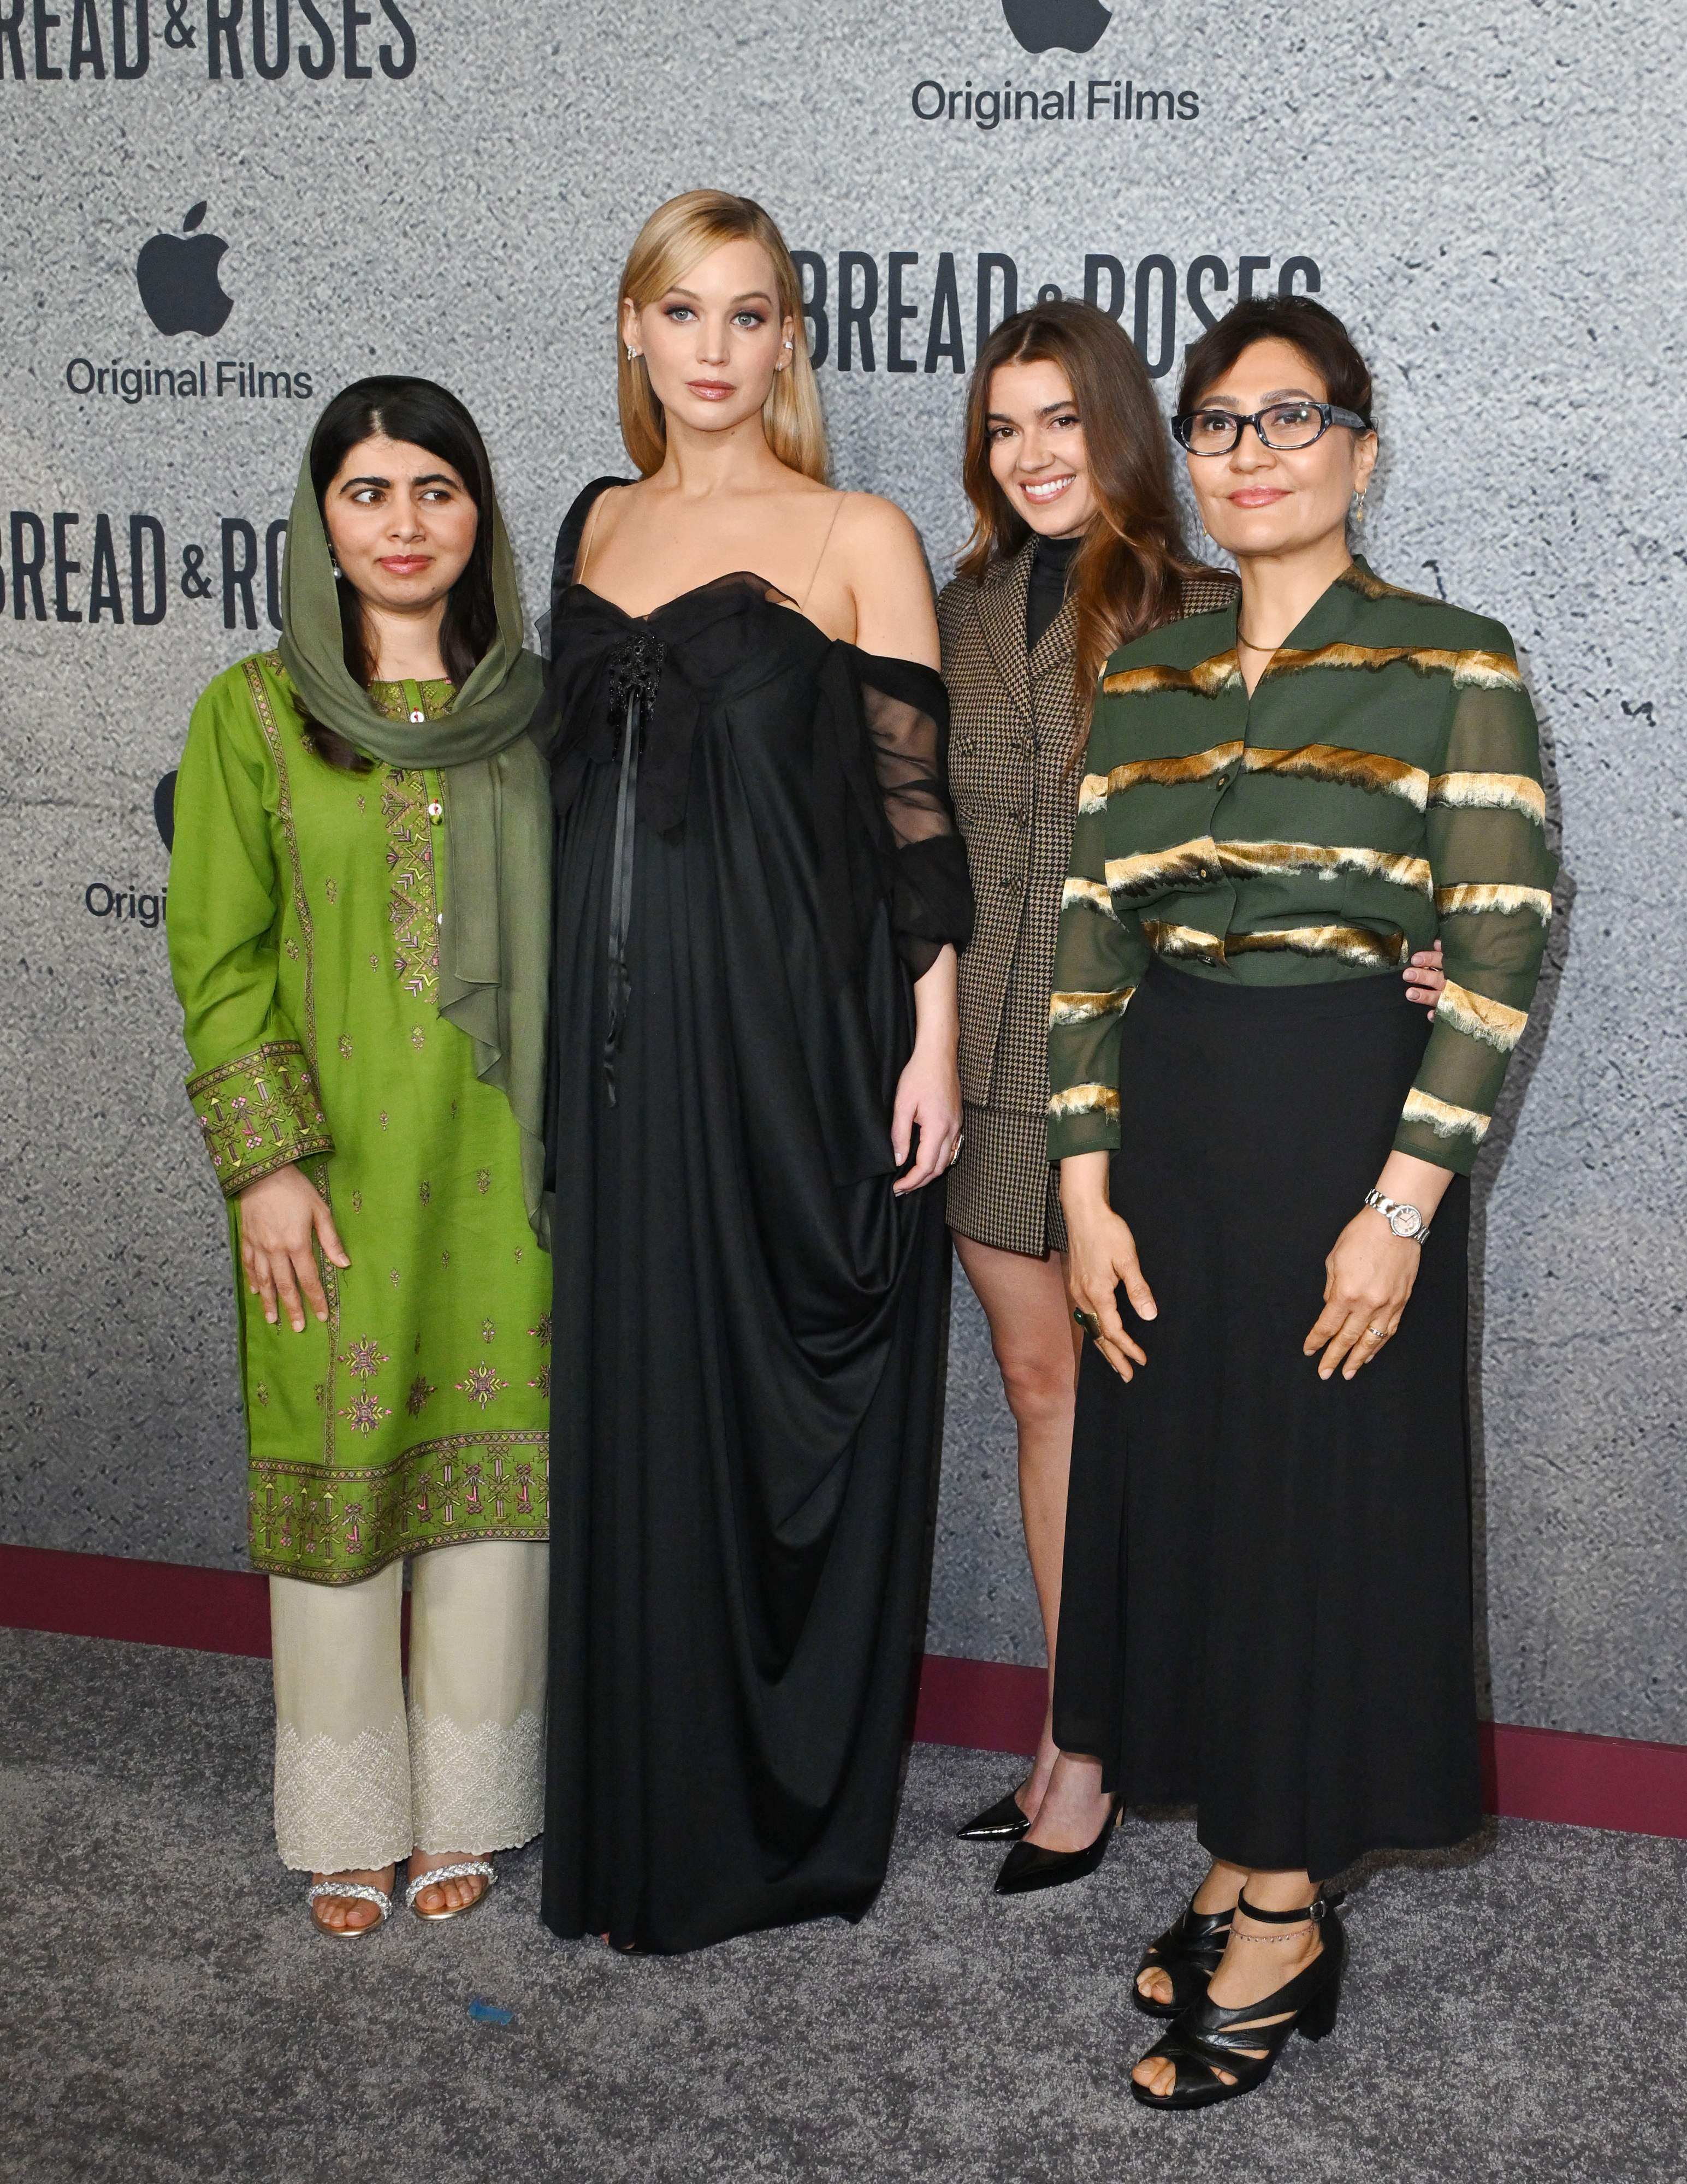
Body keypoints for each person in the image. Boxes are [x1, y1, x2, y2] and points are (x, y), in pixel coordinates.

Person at [1043, 295, 1555, 2106]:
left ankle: (1282, 1906)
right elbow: (1089, 938)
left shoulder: (1449, 660)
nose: (1249, 454)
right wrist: (1084, 1197)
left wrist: (1401, 1207)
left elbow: (1499, 941)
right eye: (1215, 425)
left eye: (1289, 418)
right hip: (1168, 1132)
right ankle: (1241, 1840)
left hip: (1348, 1127)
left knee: (1319, 1507)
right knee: (1190, 1497)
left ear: (1359, 444)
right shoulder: (1148, 677)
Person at [938, 301, 1446, 1852]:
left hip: (1157, 1072)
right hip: (983, 1055)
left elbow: (1337, 836)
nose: (1031, 455)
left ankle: (1170, 1759)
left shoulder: (1208, 604)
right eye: (1002, 426)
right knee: (1042, 1392)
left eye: (1062, 421)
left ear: (1127, 434)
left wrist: (1415, 947)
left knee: (1170, 1419)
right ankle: (1071, 1726)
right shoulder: (951, 608)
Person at [535, 190, 973, 1955]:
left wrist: (930, 1039)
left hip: (793, 1033)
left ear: (790, 340)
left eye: (749, 315)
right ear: (633, 332)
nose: (712, 349)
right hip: (614, 1045)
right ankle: (637, 1806)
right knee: (631, 1406)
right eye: (680, 312)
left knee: (765, 1402)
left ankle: (766, 1819)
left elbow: (913, 822)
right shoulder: (587, 521)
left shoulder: (857, 529)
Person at [167, 378, 554, 1936]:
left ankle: (472, 1803)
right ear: (321, 519)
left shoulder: (534, 708)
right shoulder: (253, 713)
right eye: (369, 492)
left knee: (494, 1484)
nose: (405, 524)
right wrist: (265, 1162)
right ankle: (344, 1816)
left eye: (435, 491)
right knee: (339, 1469)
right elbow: (218, 950)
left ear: (480, 518)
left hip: (505, 1165)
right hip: (322, 1176)